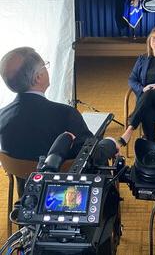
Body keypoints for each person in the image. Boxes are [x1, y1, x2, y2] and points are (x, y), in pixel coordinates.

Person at [0, 47, 117, 195]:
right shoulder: (66, 114)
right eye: (45, 66)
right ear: (38, 77)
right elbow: (92, 155)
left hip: (28, 194)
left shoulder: (2, 116)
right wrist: (111, 143)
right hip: (66, 196)